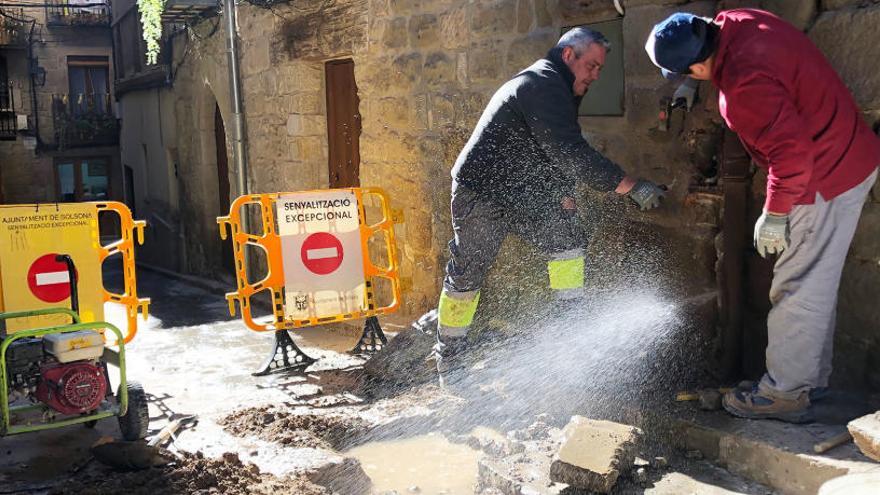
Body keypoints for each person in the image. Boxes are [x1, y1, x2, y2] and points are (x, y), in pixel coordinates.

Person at [645, 9, 880, 422]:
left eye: (686, 74)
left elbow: (792, 158)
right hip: (846, 154)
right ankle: (807, 384)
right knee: (815, 282)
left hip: (824, 177)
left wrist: (775, 213)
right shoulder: (739, 21)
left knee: (798, 284)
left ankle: (785, 393)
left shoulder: (742, 89)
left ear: (699, 65)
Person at [417, 27, 667, 357]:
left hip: (521, 190)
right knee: (469, 269)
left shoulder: (559, 87)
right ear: (568, 55)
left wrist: (561, 192)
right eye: (591, 66)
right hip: (481, 190)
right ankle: (449, 350)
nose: (595, 76)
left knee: (566, 234)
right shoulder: (543, 84)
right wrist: (630, 185)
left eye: (599, 69)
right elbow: (569, 152)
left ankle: (571, 323)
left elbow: (549, 147)